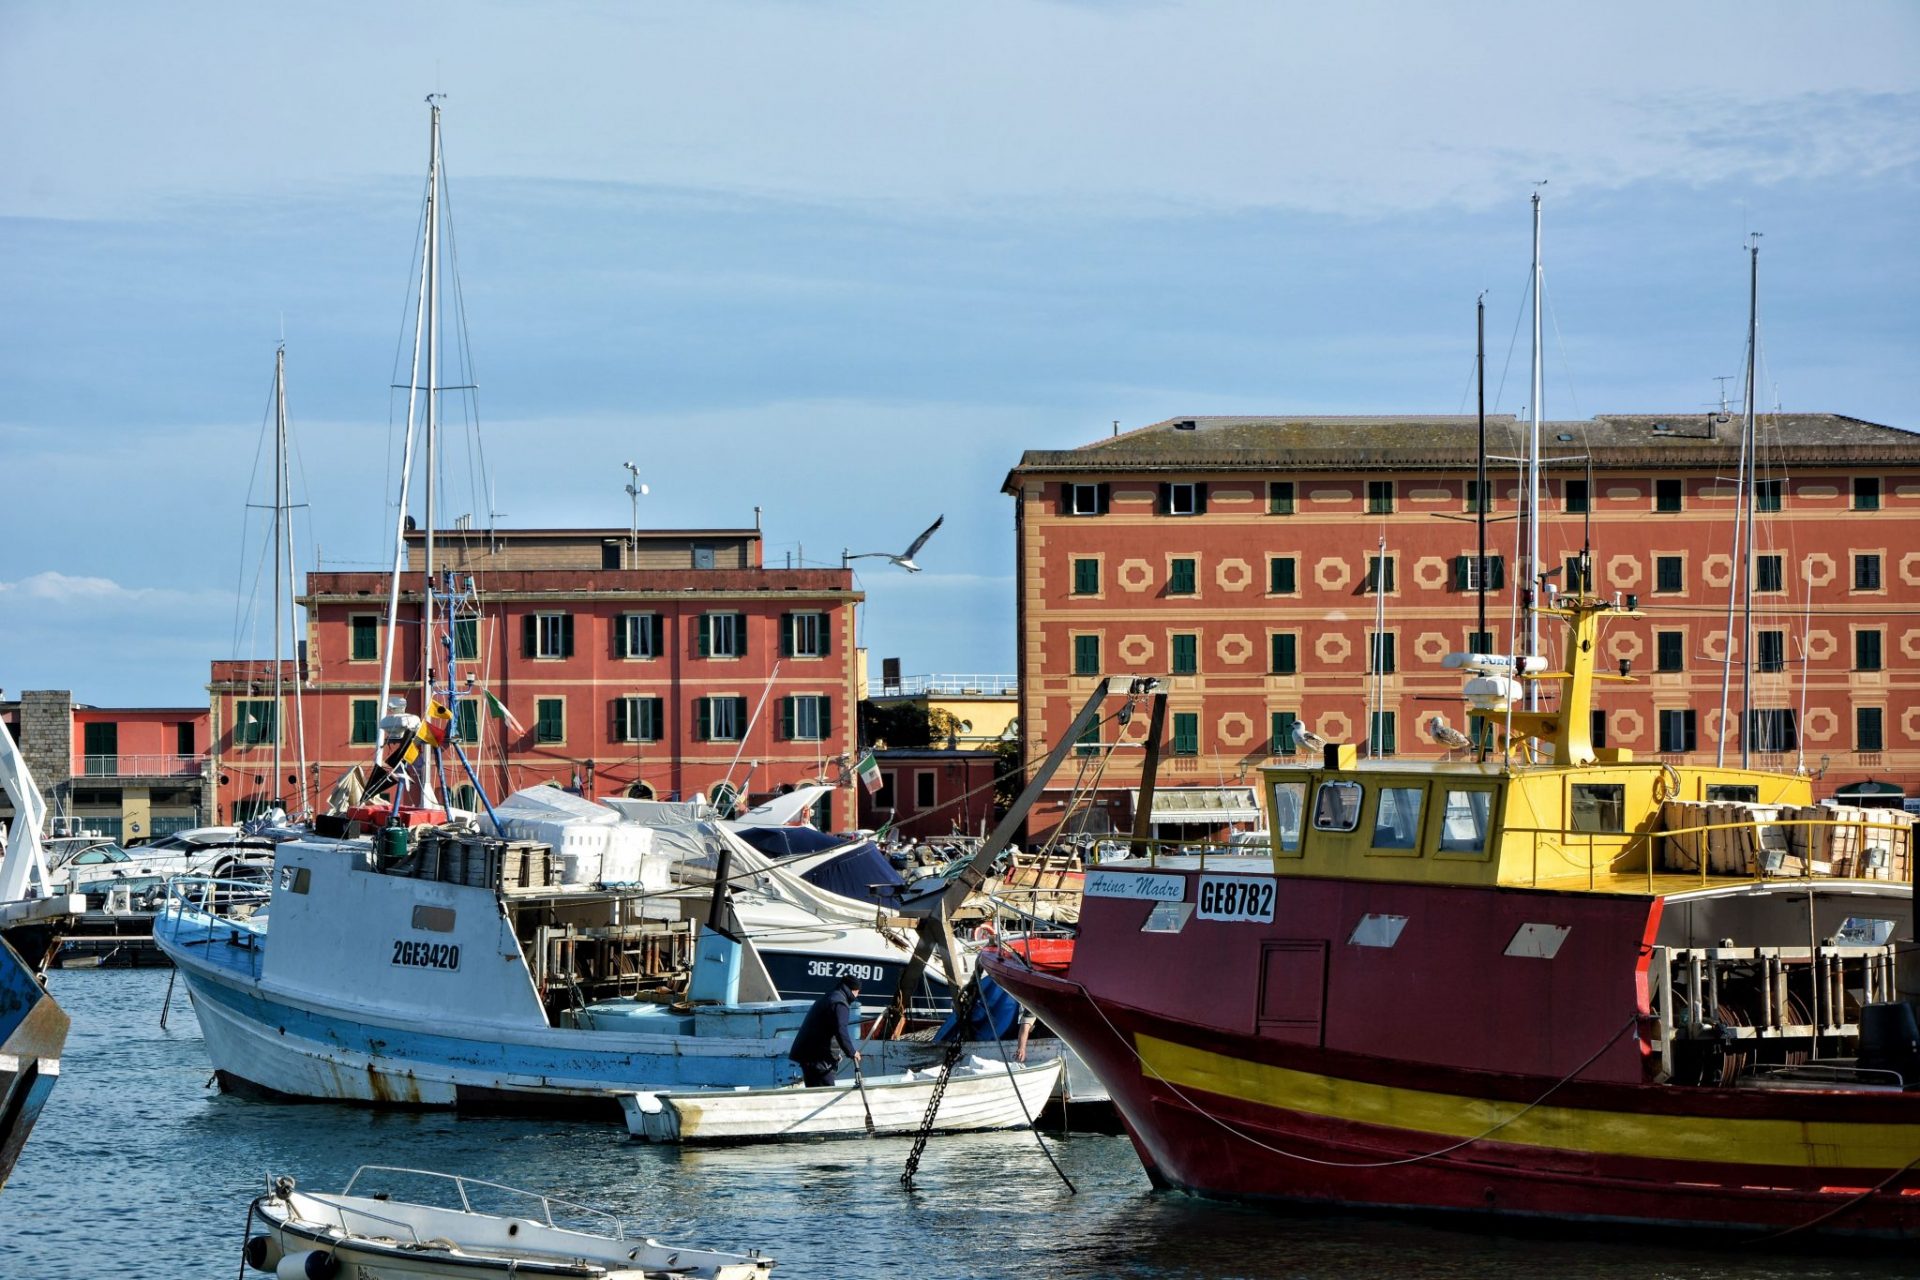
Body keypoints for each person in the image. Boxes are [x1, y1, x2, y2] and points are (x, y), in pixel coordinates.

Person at [788, 975, 862, 1087]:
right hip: (820, 1061)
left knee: (813, 1094)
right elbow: (840, 1030)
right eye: (858, 992)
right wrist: (852, 1052)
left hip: (809, 1057)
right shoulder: (840, 1003)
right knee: (825, 1095)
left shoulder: (829, 997)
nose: (858, 995)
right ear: (854, 990)